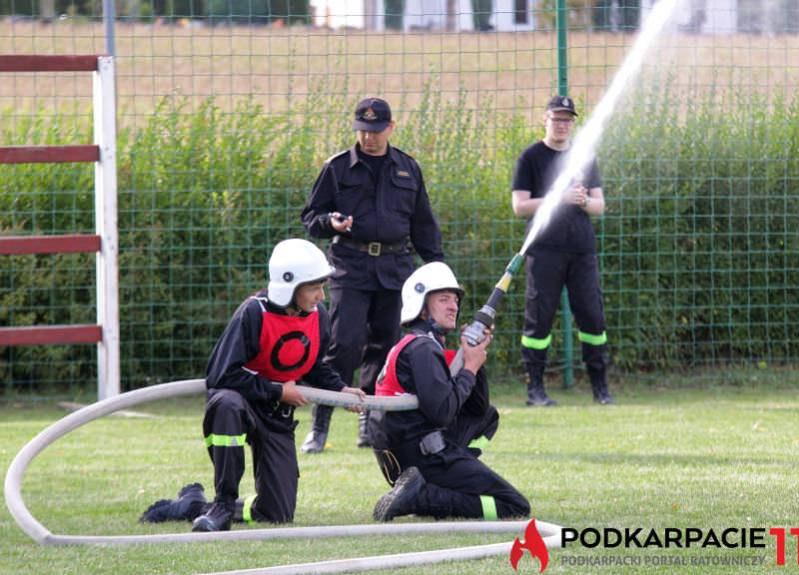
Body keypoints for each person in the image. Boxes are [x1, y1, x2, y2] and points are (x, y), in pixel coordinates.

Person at [139, 239, 365, 532]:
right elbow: (221, 375)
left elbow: (312, 366)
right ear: (289, 286)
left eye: (322, 287)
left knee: (277, 513)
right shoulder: (253, 313)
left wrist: (340, 390)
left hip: (276, 415)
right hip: (241, 406)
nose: (321, 296)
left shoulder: (318, 316)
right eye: (313, 288)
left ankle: (193, 505)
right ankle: (222, 504)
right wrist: (278, 390)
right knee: (226, 403)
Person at [300, 96, 444, 454]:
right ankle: (321, 424)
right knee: (344, 344)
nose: (368, 138)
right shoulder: (337, 168)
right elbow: (311, 217)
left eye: (376, 131)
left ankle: (369, 421)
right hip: (351, 265)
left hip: (396, 269)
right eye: (363, 131)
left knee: (385, 343)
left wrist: (437, 266)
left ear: (390, 129)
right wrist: (329, 222)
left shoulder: (408, 169)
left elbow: (423, 223)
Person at [367, 261, 530, 522]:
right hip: (422, 457)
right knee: (514, 505)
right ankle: (422, 497)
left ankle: (449, 474)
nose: (453, 306)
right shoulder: (422, 349)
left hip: (407, 454)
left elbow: (476, 409)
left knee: (487, 416)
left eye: (454, 300)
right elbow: (442, 412)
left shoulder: (420, 345)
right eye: (443, 299)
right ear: (421, 308)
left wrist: (473, 359)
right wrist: (470, 368)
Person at [511, 95, 614, 407]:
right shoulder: (530, 157)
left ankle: (601, 390)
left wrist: (582, 201)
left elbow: (599, 205)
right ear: (545, 119)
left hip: (581, 251)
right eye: (556, 118)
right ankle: (536, 391)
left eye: (567, 119)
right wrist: (559, 197)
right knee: (538, 322)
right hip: (544, 251)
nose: (562, 125)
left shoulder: (584, 157)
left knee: (593, 318)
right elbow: (519, 206)